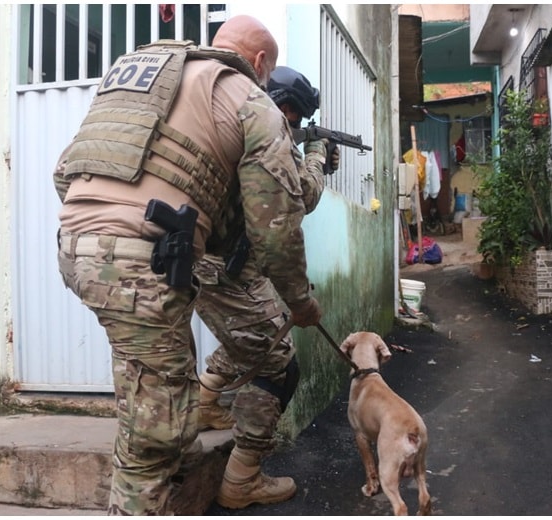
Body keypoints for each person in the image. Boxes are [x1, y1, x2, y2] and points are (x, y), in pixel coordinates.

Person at [52, 15, 326, 515]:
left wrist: (106, 229)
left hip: (76, 245)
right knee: (152, 439)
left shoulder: (151, 74)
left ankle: (181, 450)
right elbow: (275, 229)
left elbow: (65, 169)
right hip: (144, 264)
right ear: (262, 62)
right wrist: (301, 302)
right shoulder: (249, 98)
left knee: (159, 392)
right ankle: (160, 482)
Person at [192, 65, 338, 510]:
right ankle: (242, 478)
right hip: (229, 271)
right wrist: (315, 158)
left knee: (257, 336)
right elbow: (302, 197)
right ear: (290, 109)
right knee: (280, 367)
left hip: (210, 265)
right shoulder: (268, 129)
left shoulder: (228, 118)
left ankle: (205, 404)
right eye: (296, 116)